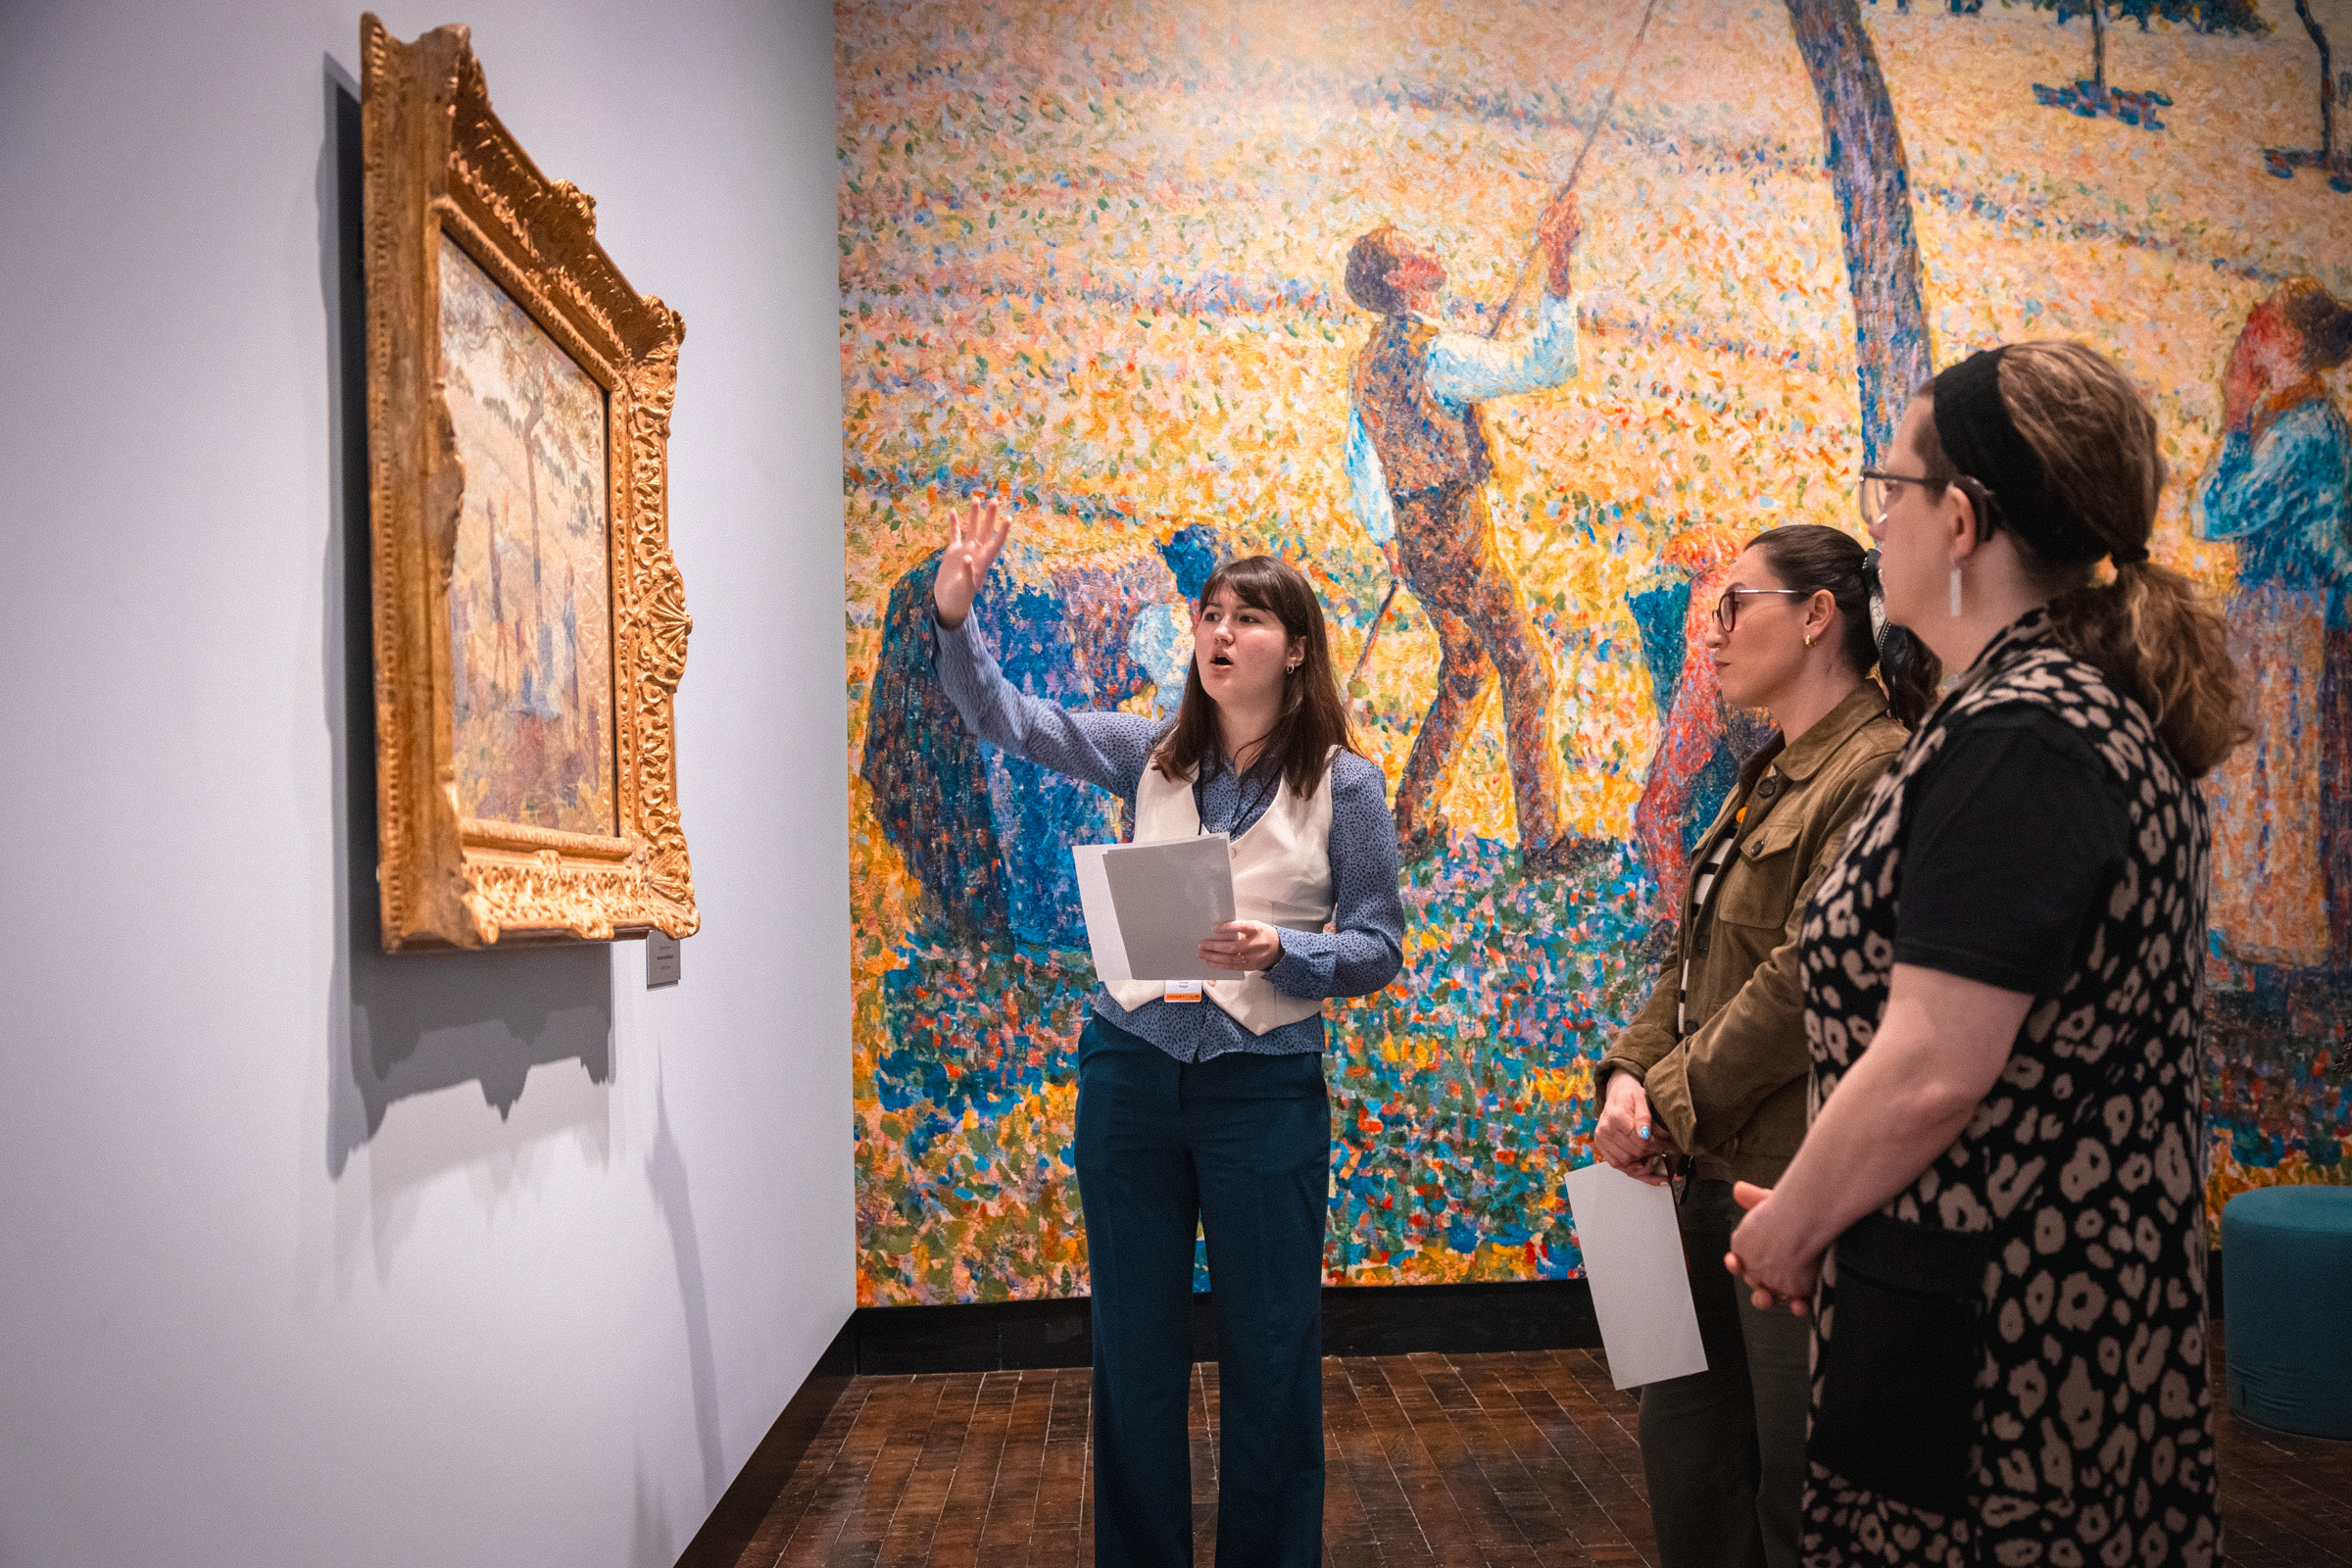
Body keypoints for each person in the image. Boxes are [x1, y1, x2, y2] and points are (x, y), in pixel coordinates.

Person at [1726, 341, 2244, 1567]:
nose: (1877, 524)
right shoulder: (2031, 710)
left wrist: (1794, 1222)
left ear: (1959, 522)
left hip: (2009, 1361)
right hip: (1990, 1318)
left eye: (1890, 489)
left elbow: (1931, 1067)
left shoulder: (2025, 732)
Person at [926, 499, 1405, 1568]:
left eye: (1249, 618)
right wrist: (957, 619)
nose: (1221, 633)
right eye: (1210, 615)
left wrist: (1286, 952)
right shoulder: (1150, 754)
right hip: (1130, 1080)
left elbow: (1380, 944)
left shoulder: (1347, 784)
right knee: (1133, 1351)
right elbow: (1010, 718)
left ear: (1297, 649)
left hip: (1264, 1094)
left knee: (1270, 1351)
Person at [1592, 524, 1935, 1568]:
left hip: (1790, 1186)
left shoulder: (1877, 772)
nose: (1712, 631)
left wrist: (1667, 1101)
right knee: (1689, 1474)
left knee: (1801, 1487)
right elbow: (1692, 954)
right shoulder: (1770, 771)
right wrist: (1627, 1077)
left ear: (1819, 615)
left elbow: (1802, 982)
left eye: (1735, 605)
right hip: (1699, 1173)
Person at [1343, 193, 1608, 873]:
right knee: (1527, 669)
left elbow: (1360, 459)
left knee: (1466, 669)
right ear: (1399, 279)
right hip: (1457, 532)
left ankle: (1408, 824)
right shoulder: (1441, 355)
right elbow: (1549, 365)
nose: (1431, 251)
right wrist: (1557, 265)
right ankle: (1543, 842)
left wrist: (1388, 537)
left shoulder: (1369, 362)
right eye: (1414, 251)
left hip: (1413, 538)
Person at [2190, 276, 2352, 968]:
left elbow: (2212, 516)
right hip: (2275, 614)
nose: (2250, 320)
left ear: (2287, 340)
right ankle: (2248, 931)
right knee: (2253, 773)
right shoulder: (2292, 417)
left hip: (2293, 621)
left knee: (2273, 776)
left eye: (2266, 315)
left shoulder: (2304, 431)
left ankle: (2272, 939)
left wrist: (2233, 416)